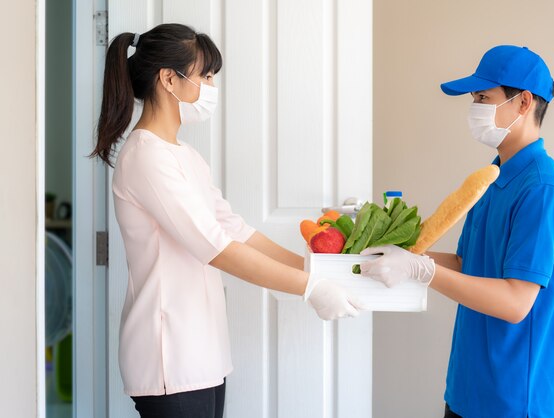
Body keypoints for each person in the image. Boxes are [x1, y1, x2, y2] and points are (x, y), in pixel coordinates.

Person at [91, 23, 361, 418]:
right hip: (171, 355)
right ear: (169, 78)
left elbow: (235, 230)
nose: (211, 87)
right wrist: (310, 288)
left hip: (203, 351)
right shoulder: (146, 157)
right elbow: (218, 249)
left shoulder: (184, 156)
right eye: (206, 75)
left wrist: (315, 269)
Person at [360, 45, 554, 418]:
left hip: (514, 401)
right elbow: (467, 263)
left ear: (523, 102)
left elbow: (515, 302)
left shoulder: (542, 189)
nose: (474, 107)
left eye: (482, 97)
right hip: (468, 390)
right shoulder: (493, 178)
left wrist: (420, 271)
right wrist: (406, 256)